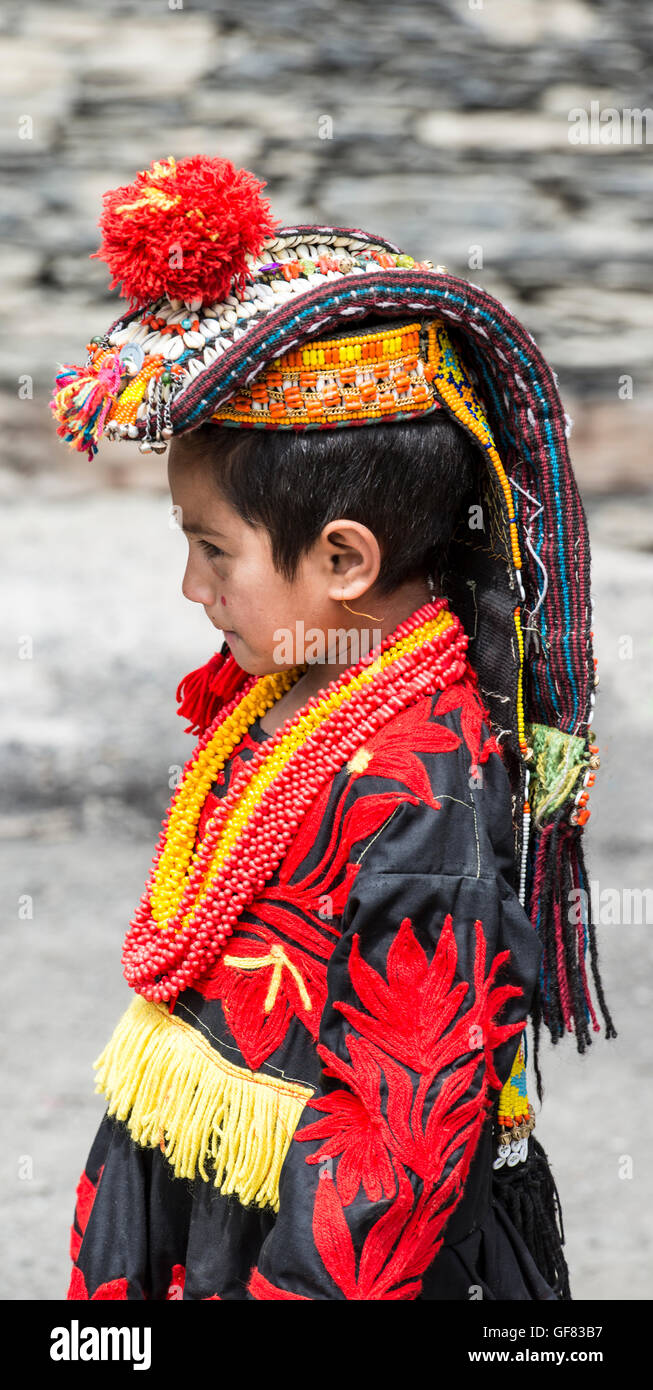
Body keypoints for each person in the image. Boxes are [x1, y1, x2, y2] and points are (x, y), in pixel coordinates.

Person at [50, 153, 615, 1301]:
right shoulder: (299, 683)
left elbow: (397, 1149)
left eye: (212, 550)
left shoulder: (420, 787)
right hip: (222, 1200)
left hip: (315, 1253)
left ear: (345, 559)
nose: (190, 588)